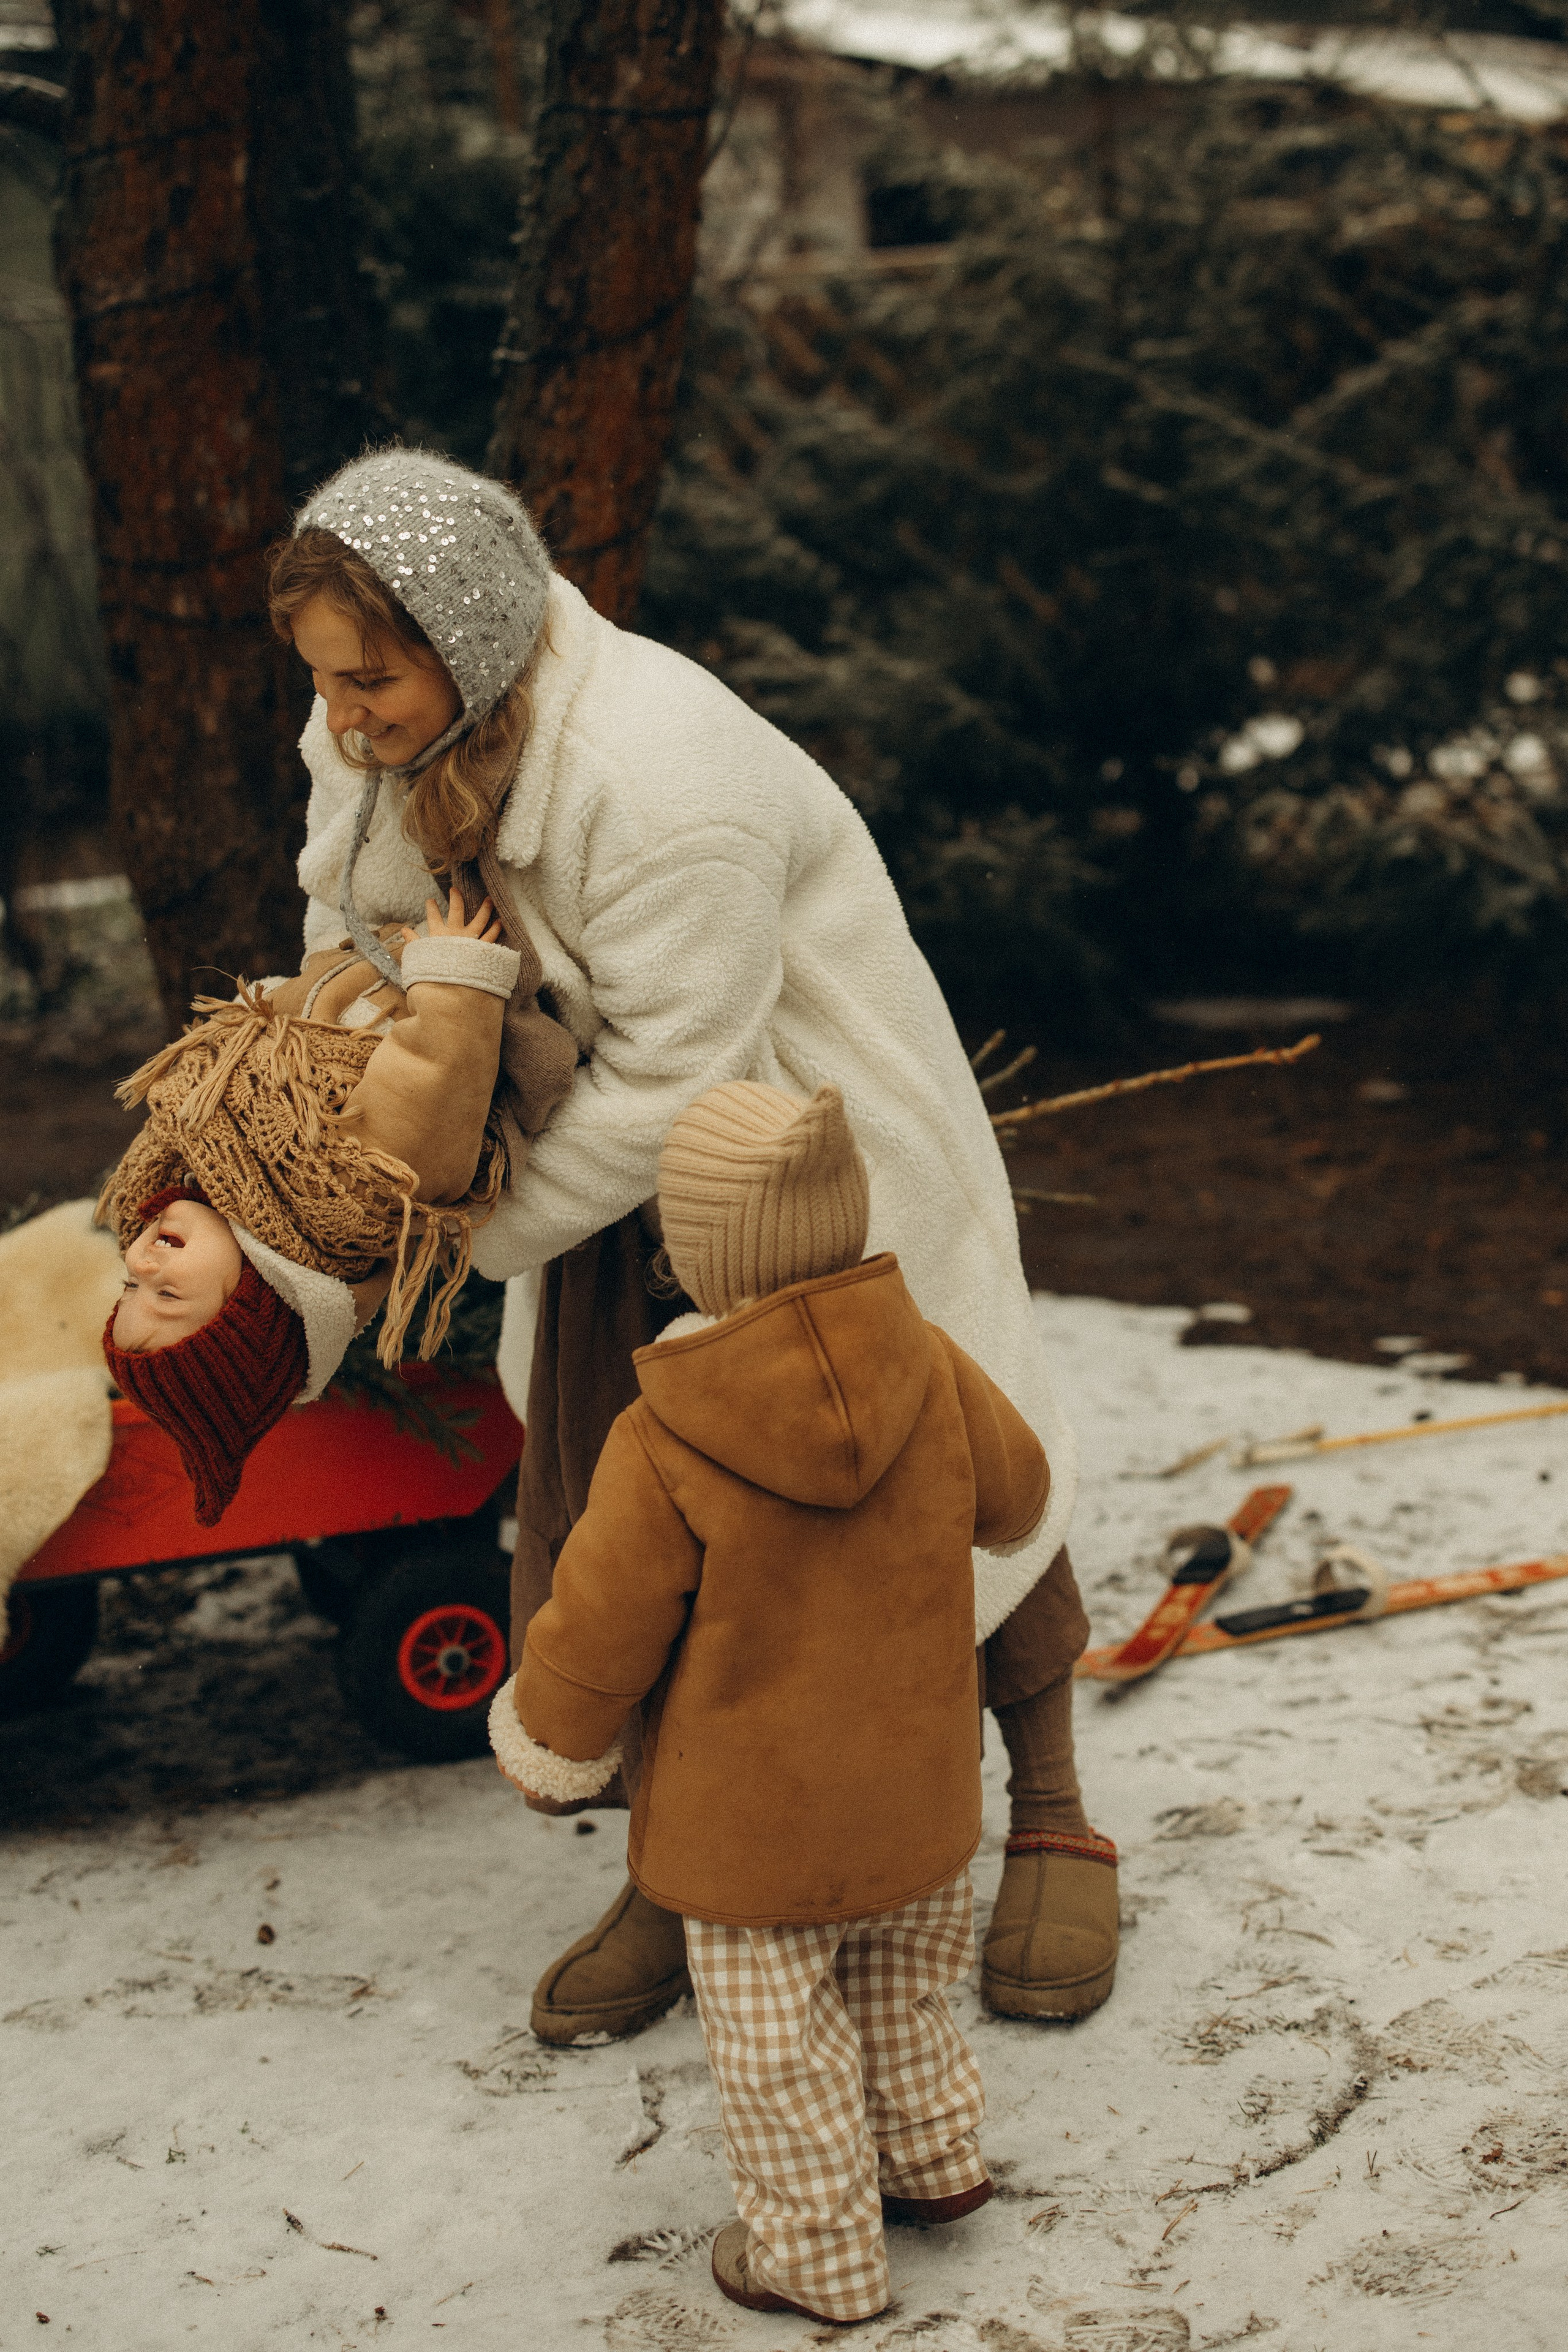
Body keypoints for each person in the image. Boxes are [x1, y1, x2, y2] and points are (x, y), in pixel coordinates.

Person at [269, 443, 1120, 2041]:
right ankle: (689, 1862)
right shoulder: (375, 721)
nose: (338, 716)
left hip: (799, 1143)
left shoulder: (659, 777)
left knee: (931, 1442)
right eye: (320, 679)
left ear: (462, 646)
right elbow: (347, 918)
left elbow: (686, 1075)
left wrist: (461, 1240)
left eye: (367, 680)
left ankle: (1058, 1806)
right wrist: (342, 1110)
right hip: (597, 1138)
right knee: (624, 1495)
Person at [491, 1081, 1045, 2327]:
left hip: (752, 1834)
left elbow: (598, 1628)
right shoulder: (931, 1359)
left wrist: (548, 1740)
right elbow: (1014, 1499)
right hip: (916, 1793)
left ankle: (816, 2255)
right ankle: (934, 2161)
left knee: (779, 2049)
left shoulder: (667, 1429)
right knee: (901, 1988)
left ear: (690, 1254)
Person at [99, 889, 576, 1524]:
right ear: (257, 1300)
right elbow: (436, 1077)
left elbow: (276, 1016)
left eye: (130, 1285)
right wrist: (459, 970)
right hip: (473, 954)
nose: (144, 1265)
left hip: (398, 939)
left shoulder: (242, 1153)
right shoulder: (354, 1194)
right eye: (166, 1298)